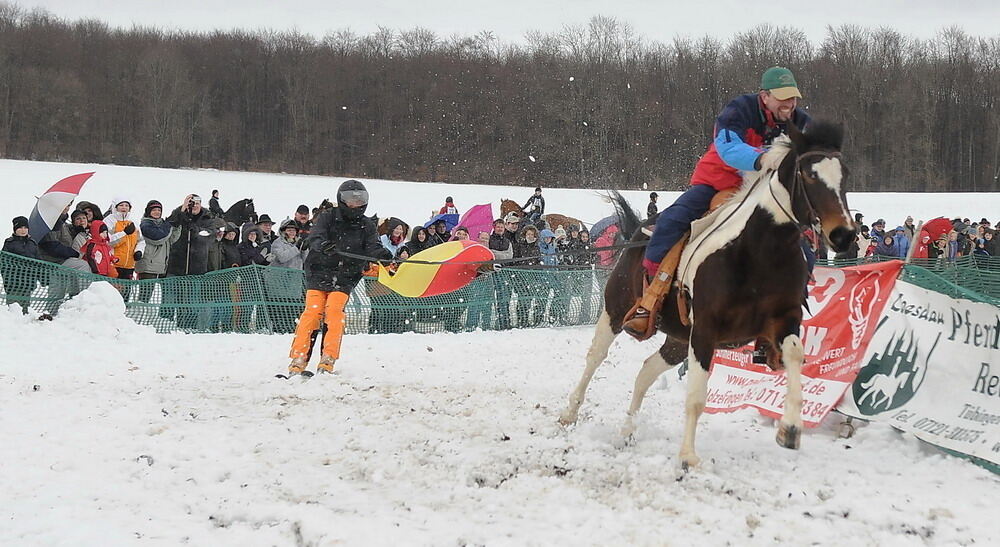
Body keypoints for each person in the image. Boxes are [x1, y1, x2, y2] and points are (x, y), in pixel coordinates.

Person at [625, 66, 811, 338]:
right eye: (783, 98)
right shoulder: (739, 110)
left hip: (761, 194)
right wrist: (761, 158)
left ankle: (782, 320)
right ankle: (649, 300)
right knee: (670, 224)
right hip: (718, 182)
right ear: (765, 96)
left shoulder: (802, 122)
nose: (790, 104)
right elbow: (727, 148)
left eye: (793, 98)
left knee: (802, 253)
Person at [287, 180, 392, 376]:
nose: (354, 205)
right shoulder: (328, 217)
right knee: (312, 312)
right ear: (341, 200)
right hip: (319, 270)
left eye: (359, 200)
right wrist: (323, 245)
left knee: (334, 311)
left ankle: (328, 359)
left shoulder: (367, 225)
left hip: (346, 275)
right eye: (350, 200)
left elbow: (372, 247)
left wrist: (383, 255)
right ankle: (298, 358)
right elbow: (315, 237)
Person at [135, 200, 179, 303]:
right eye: (154, 210)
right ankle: (139, 312)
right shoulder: (145, 224)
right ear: (148, 212)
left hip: (160, 265)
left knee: (157, 296)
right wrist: (168, 224)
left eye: (159, 210)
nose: (157, 212)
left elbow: (171, 239)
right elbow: (158, 238)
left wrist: (177, 226)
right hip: (148, 266)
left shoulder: (163, 225)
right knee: (145, 296)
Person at [2, 216, 40, 313]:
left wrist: (43, 278)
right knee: (14, 308)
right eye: (20, 228)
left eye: (25, 228)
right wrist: (7, 277)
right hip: (13, 281)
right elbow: (3, 262)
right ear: (15, 229)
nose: (23, 230)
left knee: (25, 307)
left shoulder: (32, 243)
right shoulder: (9, 242)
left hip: (28, 280)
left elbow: (39, 261)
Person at [488, 218, 514, 330]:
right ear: (494, 227)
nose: (500, 229)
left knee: (505, 297)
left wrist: (496, 254)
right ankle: (489, 322)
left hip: (504, 272)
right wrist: (500, 255)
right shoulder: (489, 239)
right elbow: (488, 253)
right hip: (491, 272)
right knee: (490, 297)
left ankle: (504, 321)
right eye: (498, 227)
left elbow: (509, 256)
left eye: (502, 227)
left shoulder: (507, 241)